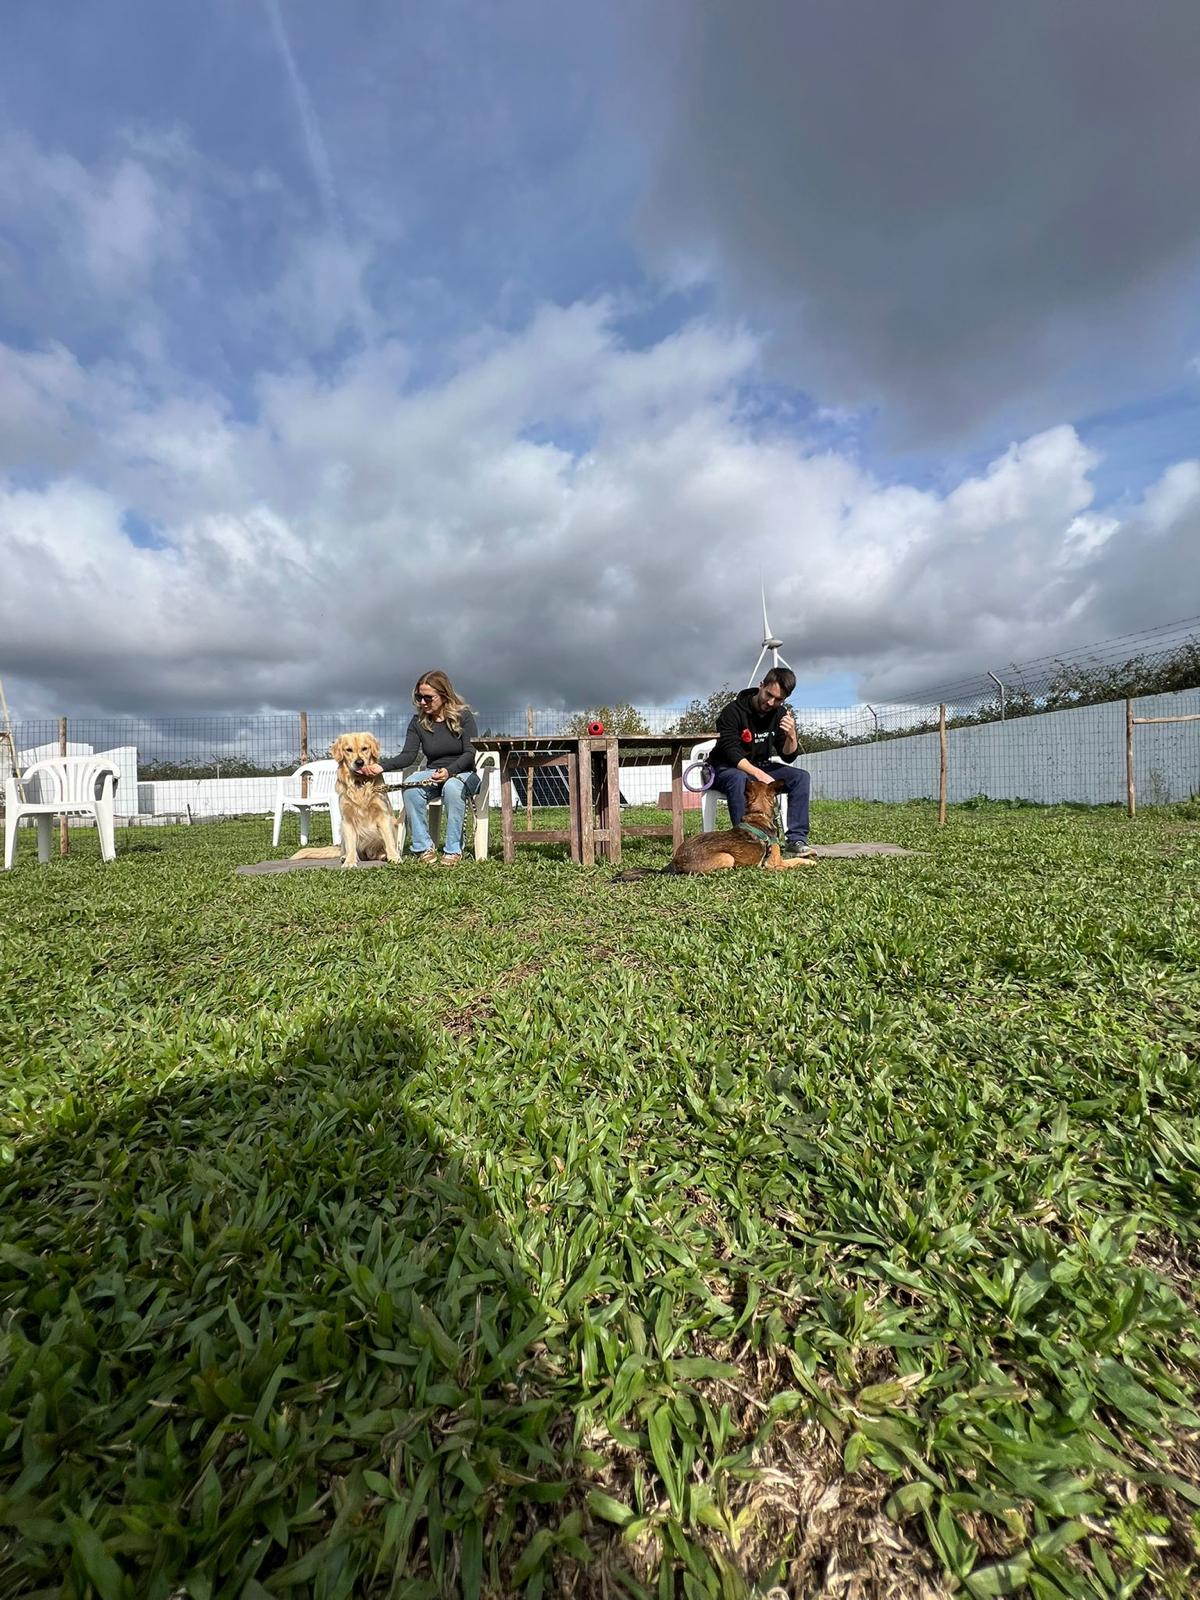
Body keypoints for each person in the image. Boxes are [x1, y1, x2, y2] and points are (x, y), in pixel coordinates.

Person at [708, 667, 814, 858]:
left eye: (779, 699)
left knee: (800, 777)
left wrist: (791, 736)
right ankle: (745, 841)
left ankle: (796, 841)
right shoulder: (732, 711)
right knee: (739, 779)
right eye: (769, 694)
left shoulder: (780, 714)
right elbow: (730, 751)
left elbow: (788, 755)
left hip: (760, 765)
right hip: (725, 767)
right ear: (761, 686)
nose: (771, 702)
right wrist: (758, 774)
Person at [382, 671, 480, 865]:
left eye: (428, 697)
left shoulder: (464, 716)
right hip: (434, 773)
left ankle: (453, 850)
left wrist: (450, 771)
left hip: (464, 773)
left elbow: (470, 752)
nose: (422, 702)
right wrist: (379, 767)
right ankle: (423, 847)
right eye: (419, 697)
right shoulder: (418, 722)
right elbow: (408, 756)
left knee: (452, 787)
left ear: (444, 696)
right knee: (410, 787)